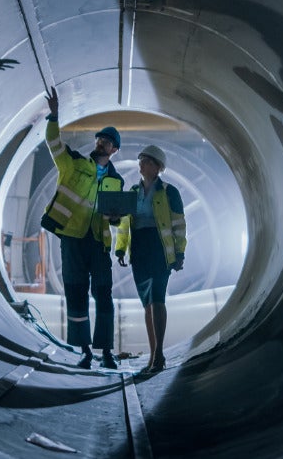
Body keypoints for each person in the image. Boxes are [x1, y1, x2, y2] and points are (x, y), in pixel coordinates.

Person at [41, 88, 124, 369]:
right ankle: (86, 352)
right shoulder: (74, 163)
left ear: (114, 150)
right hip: (72, 240)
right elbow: (53, 142)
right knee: (76, 293)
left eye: (108, 141)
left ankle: (107, 353)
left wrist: (115, 218)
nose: (102, 143)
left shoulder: (117, 181)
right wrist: (53, 116)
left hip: (99, 243)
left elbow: (116, 219)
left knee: (103, 296)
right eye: (100, 138)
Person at [113, 145, 186, 374]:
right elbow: (124, 224)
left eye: (146, 161)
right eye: (140, 160)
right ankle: (153, 353)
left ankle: (160, 353)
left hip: (159, 250)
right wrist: (120, 249)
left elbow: (178, 225)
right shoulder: (133, 191)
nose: (141, 164)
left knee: (157, 299)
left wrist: (180, 253)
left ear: (157, 167)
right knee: (147, 304)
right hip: (140, 250)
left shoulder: (169, 192)